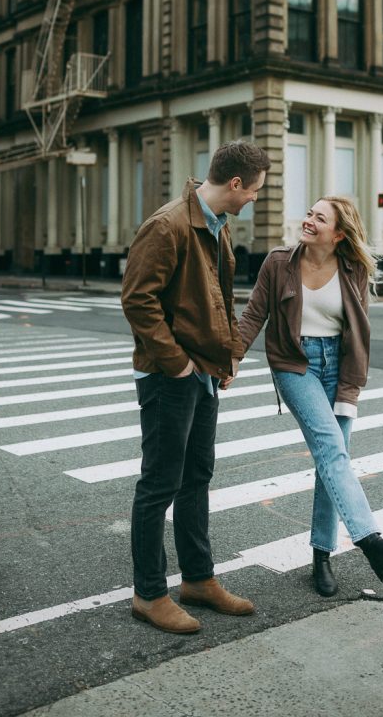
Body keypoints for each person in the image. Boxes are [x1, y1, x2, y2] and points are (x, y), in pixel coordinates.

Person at [121, 140, 271, 634]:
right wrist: (179, 363)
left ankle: (199, 579)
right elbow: (137, 300)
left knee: (197, 476)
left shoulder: (216, 227)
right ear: (234, 184)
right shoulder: (167, 226)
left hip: (203, 371)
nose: (254, 198)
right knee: (159, 483)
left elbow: (221, 298)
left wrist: (224, 355)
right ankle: (148, 594)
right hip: (171, 377)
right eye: (253, 190)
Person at [238, 195, 383, 597]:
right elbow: (253, 316)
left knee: (331, 462)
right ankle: (372, 542)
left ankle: (321, 557)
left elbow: (360, 335)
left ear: (338, 234)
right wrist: (230, 360)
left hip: (340, 365)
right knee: (332, 449)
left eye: (320, 218)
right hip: (295, 364)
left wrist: (351, 388)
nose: (309, 220)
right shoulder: (279, 263)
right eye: (309, 213)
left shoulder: (352, 268)